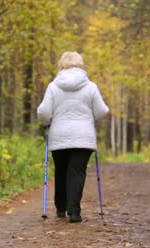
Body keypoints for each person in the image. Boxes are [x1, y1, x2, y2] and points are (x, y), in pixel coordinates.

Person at [37, 51, 109, 223]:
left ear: (61, 65)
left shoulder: (53, 86)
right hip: (83, 136)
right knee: (77, 172)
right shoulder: (91, 86)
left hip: (59, 135)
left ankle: (61, 208)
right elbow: (102, 111)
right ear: (80, 65)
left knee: (61, 171)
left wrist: (44, 121)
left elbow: (44, 112)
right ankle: (74, 212)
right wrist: (90, 116)